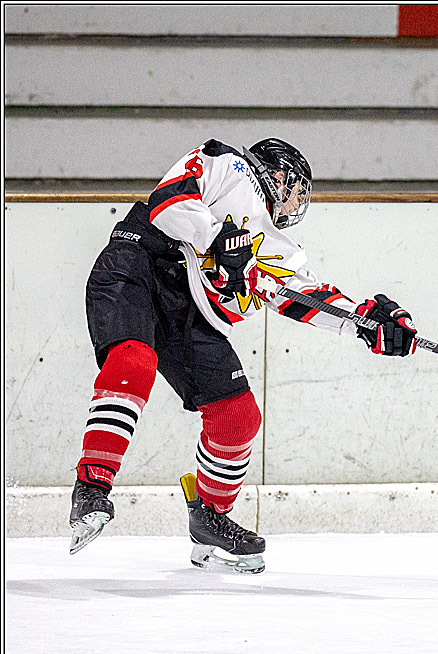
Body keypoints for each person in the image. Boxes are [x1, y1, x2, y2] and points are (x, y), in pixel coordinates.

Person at [69, 138, 417, 573]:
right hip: (137, 264)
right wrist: (217, 239)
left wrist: (365, 322)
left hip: (188, 305)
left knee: (238, 416)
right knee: (134, 363)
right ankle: (91, 487)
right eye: (296, 190)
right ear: (277, 174)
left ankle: (209, 518)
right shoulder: (228, 166)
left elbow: (304, 296)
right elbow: (167, 203)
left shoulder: (275, 246)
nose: (295, 203)